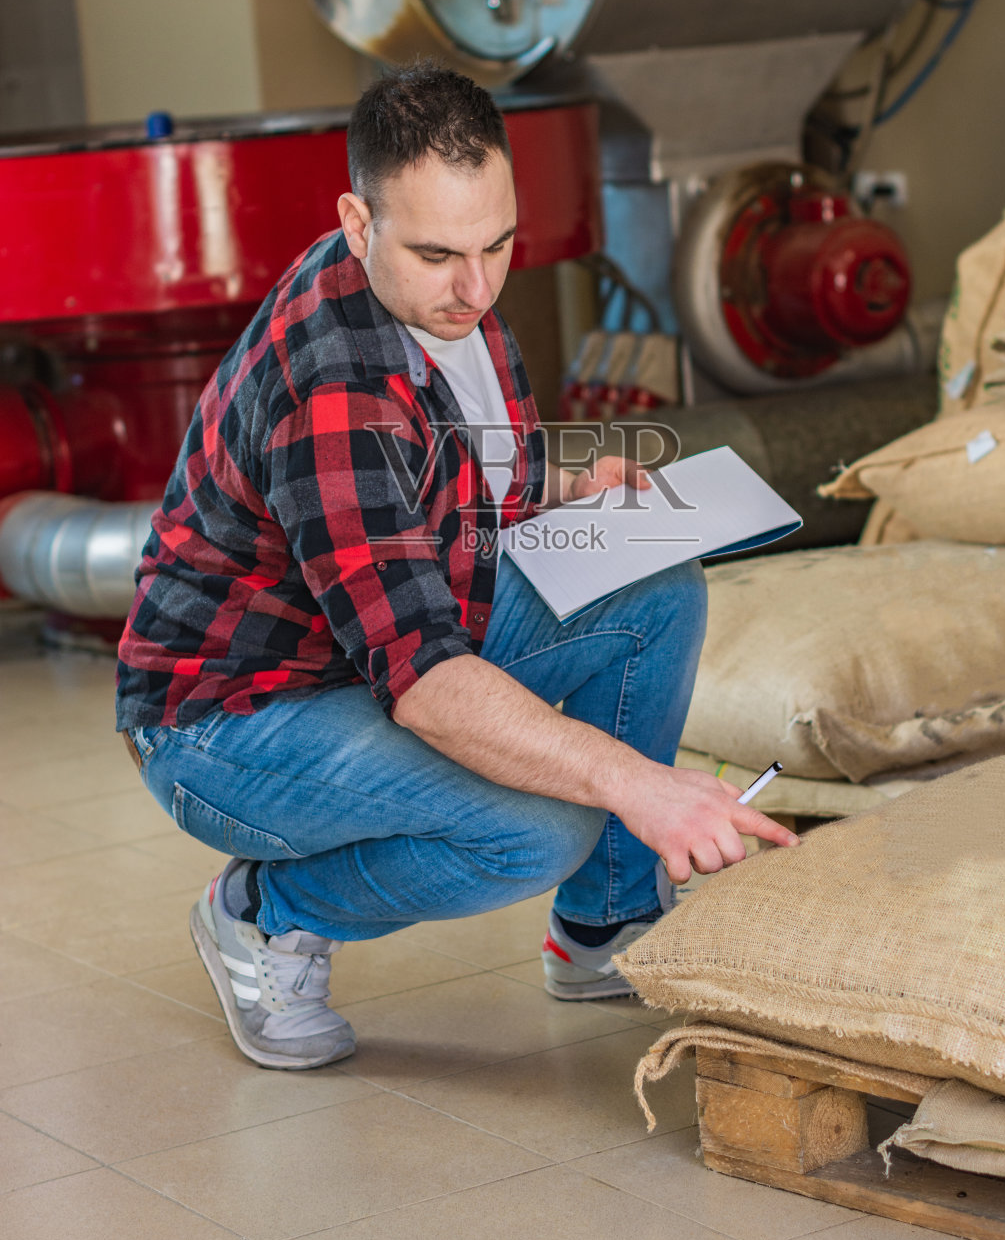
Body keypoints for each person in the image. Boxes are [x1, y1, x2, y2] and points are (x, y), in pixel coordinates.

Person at [115, 65, 795, 1072]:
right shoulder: (331, 388)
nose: (475, 288)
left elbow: (454, 466)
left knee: (649, 593)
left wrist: (566, 479)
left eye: (496, 244)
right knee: (537, 828)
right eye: (439, 253)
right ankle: (261, 913)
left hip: (374, 640)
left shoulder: (433, 293)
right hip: (230, 716)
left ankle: (600, 929)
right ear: (357, 220)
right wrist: (640, 786)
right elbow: (426, 682)